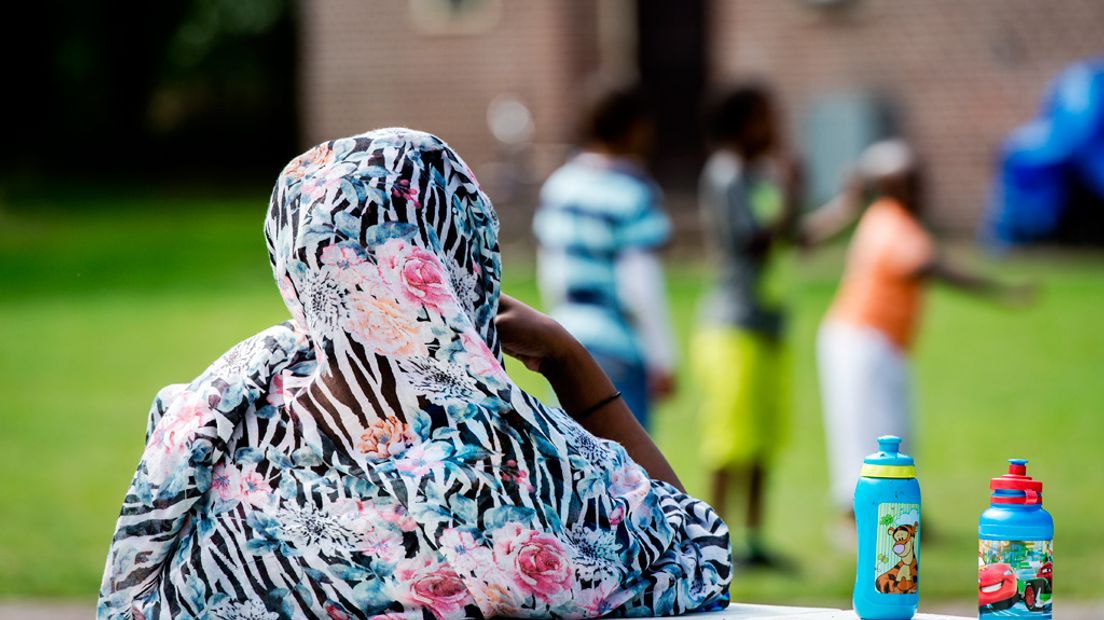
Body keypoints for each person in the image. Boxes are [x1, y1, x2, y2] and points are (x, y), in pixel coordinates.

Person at [98, 129, 731, 620]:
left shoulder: (224, 419)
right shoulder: (509, 472)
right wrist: (571, 362)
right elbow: (698, 556)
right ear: (461, 257)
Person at [805, 139, 1034, 531]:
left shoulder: (891, 219)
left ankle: (901, 518)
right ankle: (856, 524)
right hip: (862, 342)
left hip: (879, 343)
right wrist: (1002, 291)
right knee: (865, 436)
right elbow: (934, 268)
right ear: (890, 186)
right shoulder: (891, 222)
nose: (920, 188)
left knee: (893, 433)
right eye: (909, 180)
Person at [693, 85, 801, 568]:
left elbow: (791, 235)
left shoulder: (760, 175)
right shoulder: (726, 174)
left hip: (769, 324)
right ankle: (714, 540)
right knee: (730, 438)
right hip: (733, 325)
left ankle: (754, 540)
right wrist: (793, 194)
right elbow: (754, 242)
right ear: (741, 123)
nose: (775, 124)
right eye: (765, 115)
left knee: (763, 438)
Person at [533, 85, 677, 430]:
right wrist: (662, 357)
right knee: (633, 472)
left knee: (579, 465)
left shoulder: (559, 186)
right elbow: (639, 285)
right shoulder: (633, 191)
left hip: (567, 340)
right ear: (635, 129)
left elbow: (551, 271)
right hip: (619, 348)